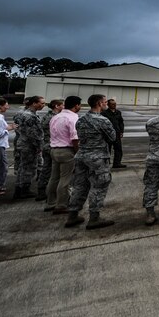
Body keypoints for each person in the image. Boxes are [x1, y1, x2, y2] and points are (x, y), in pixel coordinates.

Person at [65, 94, 116, 230]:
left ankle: (72, 215)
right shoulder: (102, 120)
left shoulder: (81, 120)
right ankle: (94, 218)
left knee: (79, 185)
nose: (106, 104)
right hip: (97, 157)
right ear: (99, 103)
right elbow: (112, 137)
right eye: (105, 102)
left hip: (81, 155)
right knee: (99, 186)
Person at [47, 96, 81, 214]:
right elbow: (75, 138)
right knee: (65, 179)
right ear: (76, 105)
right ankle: (61, 205)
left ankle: (51, 202)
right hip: (67, 151)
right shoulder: (73, 118)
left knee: (54, 178)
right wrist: (78, 152)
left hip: (54, 149)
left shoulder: (55, 117)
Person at [13, 96, 45, 199]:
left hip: (22, 143)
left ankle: (19, 189)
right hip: (29, 145)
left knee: (22, 167)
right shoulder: (30, 116)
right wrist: (39, 146)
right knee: (28, 168)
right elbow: (33, 134)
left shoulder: (22, 114)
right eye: (41, 103)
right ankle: (24, 190)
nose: (43, 105)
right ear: (34, 103)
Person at [37, 99, 64, 203]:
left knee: (46, 169)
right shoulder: (55, 117)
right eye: (62, 105)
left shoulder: (47, 116)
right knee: (53, 170)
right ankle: (49, 192)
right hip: (52, 145)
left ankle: (42, 190)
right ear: (57, 106)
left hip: (46, 144)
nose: (63, 107)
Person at [101, 98, 126, 168]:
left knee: (118, 149)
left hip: (117, 133)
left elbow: (121, 122)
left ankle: (117, 163)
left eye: (115, 104)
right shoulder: (104, 113)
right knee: (107, 149)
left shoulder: (118, 112)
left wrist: (121, 131)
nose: (114, 105)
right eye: (112, 104)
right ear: (108, 105)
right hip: (108, 134)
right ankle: (106, 163)